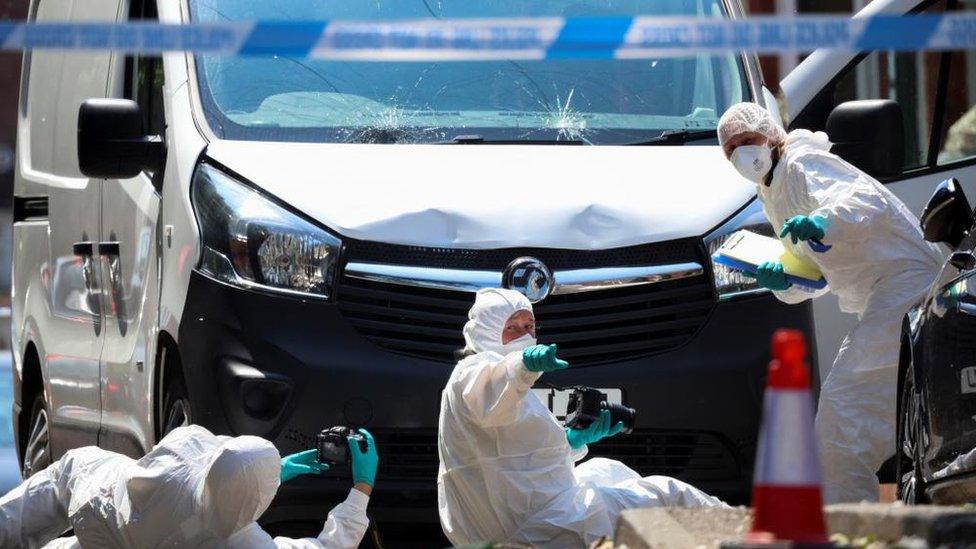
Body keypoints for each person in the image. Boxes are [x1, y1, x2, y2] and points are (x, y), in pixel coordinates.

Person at [716, 102, 944, 503]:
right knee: (900, 417)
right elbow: (816, 272)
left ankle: (851, 527)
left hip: (902, 286)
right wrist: (781, 280)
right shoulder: (773, 190)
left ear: (770, 135)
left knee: (842, 420)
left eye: (748, 140)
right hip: (886, 296)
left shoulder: (803, 163)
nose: (742, 153)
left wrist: (824, 221)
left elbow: (862, 202)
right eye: (731, 148)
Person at [437, 288, 725, 548]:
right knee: (667, 494)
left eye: (529, 326)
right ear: (486, 331)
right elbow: (492, 385)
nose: (524, 336)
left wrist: (571, 441)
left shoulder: (505, 389)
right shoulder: (471, 373)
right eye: (511, 328)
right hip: (530, 527)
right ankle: (744, 538)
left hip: (529, 513)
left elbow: (517, 460)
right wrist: (523, 363)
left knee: (608, 468)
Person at [0, 424, 378, 548]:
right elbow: (327, 546)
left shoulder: (177, 457)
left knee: (56, 481)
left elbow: (214, 457)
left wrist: (272, 469)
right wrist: (362, 486)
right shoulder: (238, 541)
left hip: (105, 517)